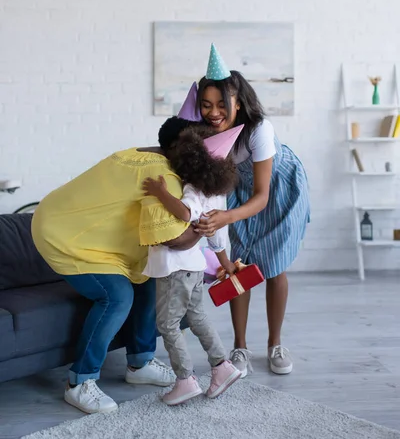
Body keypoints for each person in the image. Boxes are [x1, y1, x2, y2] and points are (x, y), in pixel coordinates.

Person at [31, 115, 204, 415]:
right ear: (178, 147)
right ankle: (79, 382)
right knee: (117, 296)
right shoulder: (165, 178)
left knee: (147, 280)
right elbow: (174, 239)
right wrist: (204, 227)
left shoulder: (141, 153)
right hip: (65, 235)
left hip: (80, 230)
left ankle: (140, 361)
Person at [194, 43, 310, 379]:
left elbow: (261, 196)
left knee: (274, 265)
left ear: (238, 102)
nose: (213, 112)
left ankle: (275, 343)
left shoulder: (260, 131)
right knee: (239, 264)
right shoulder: (207, 135)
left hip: (280, 189)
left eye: (221, 104)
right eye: (206, 105)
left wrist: (227, 217)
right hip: (240, 190)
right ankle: (240, 346)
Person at [142, 121, 243, 405]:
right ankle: (222, 366)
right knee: (197, 317)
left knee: (168, 324)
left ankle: (185, 379)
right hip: (191, 267)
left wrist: (160, 193)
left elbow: (186, 214)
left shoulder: (191, 188)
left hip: (176, 268)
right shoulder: (208, 189)